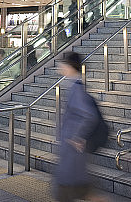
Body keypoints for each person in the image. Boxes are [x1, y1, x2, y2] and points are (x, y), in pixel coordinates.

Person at [53, 51, 106, 202]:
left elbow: (89, 115)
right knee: (79, 191)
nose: (59, 67)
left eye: (62, 63)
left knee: (68, 190)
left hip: (73, 149)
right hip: (71, 150)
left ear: (70, 66)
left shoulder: (76, 87)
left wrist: (78, 136)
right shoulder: (73, 85)